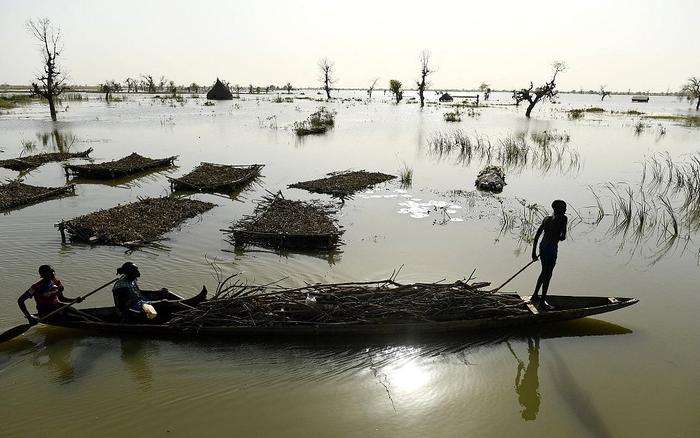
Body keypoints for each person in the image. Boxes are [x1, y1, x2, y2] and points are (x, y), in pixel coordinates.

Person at [112, 262, 206, 323]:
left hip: (141, 300)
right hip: (134, 307)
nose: (138, 272)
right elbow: (119, 305)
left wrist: (157, 292)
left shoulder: (132, 279)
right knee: (163, 303)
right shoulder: (121, 286)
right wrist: (121, 314)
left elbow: (139, 292)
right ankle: (190, 303)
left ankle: (187, 302)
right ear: (129, 272)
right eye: (135, 270)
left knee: (165, 293)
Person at [531, 200, 568, 309]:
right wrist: (558, 236)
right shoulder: (563, 218)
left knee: (544, 271)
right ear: (560, 209)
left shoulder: (546, 219)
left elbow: (537, 235)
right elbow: (563, 237)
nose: (565, 210)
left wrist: (533, 252)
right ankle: (542, 303)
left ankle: (534, 296)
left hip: (543, 246)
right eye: (564, 208)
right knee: (548, 274)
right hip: (551, 248)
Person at [17, 265, 83, 325]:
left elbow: (61, 299)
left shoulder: (56, 282)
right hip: (45, 312)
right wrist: (29, 318)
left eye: (53, 272)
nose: (53, 274)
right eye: (50, 272)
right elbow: (20, 301)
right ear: (44, 275)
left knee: (81, 314)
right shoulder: (36, 287)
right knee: (77, 318)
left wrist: (75, 300)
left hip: (58, 306)